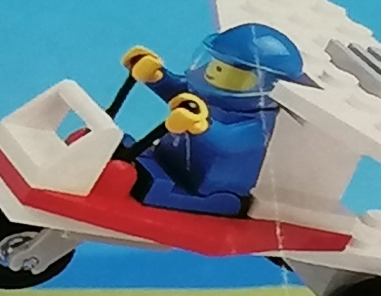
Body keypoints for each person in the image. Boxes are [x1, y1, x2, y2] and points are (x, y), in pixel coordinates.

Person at [118, 20, 306, 215]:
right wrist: (157, 77)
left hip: (205, 189)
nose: (214, 73)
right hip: (165, 159)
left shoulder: (259, 123)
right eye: (216, 65)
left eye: (232, 73)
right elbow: (180, 92)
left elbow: (231, 141)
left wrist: (203, 126)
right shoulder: (208, 92)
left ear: (265, 85)